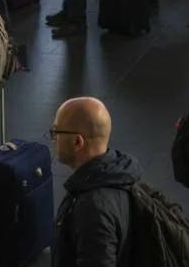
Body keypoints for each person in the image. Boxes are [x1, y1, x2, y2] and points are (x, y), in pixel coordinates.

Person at [50, 97, 140, 267]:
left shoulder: (93, 209)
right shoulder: (120, 176)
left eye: (56, 132)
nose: (53, 139)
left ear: (77, 142)